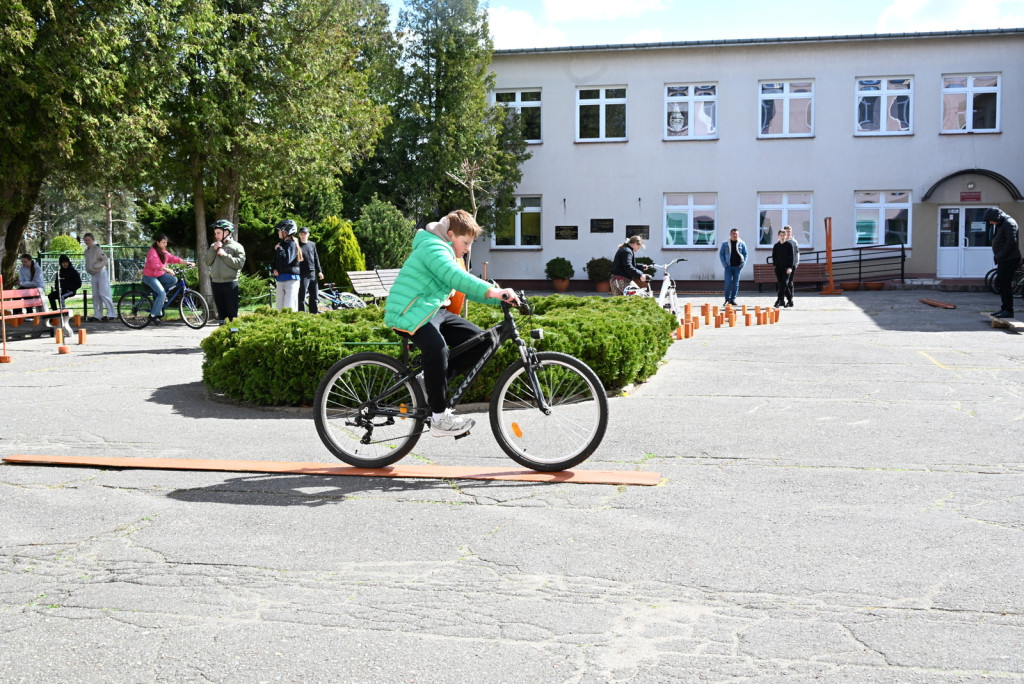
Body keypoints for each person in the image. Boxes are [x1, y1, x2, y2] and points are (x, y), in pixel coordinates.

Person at [384, 209, 519, 438]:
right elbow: (455, 277)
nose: (467, 248)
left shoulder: (445, 249)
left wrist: (502, 298)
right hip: (410, 311)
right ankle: (439, 418)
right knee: (437, 348)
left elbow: (463, 288)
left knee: (483, 342)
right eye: (465, 242)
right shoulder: (434, 247)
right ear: (450, 234)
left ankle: (429, 381)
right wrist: (495, 292)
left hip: (431, 309)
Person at [142, 234, 192, 325]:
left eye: (166, 242)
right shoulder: (152, 252)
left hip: (159, 274)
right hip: (150, 276)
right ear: (158, 242)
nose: (165, 244)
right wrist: (167, 269)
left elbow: (173, 258)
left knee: (173, 280)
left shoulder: (163, 252)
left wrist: (187, 263)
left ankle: (160, 296)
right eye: (163, 242)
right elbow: (154, 265)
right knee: (162, 293)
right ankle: (153, 315)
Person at [204, 219, 246, 323]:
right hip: (216, 283)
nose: (216, 236)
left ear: (226, 232)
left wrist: (225, 255)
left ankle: (233, 335)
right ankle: (222, 334)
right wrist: (213, 249)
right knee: (221, 314)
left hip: (230, 284)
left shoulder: (237, 246)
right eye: (215, 233)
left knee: (231, 313)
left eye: (218, 233)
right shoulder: (213, 246)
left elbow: (239, 264)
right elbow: (207, 262)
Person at [988, 207, 1021, 319]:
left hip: (1009, 259)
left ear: (995, 217)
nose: (990, 222)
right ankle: (1004, 308)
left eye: (990, 220)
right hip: (1004, 259)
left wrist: (1000, 256)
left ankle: (1008, 310)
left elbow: (1011, 242)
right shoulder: (1002, 223)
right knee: (1001, 283)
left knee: (1005, 284)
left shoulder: (1008, 223)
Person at [83, 233, 115, 322]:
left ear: (92, 240)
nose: (87, 241)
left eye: (89, 239)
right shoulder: (86, 251)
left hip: (101, 273)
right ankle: (97, 314)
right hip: (93, 274)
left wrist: (96, 266)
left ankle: (111, 313)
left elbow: (105, 260)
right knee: (95, 295)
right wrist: (88, 268)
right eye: (85, 240)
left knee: (104, 293)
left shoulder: (97, 249)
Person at [272, 219, 302, 311]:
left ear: (286, 231)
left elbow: (287, 260)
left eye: (279, 231)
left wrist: (279, 249)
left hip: (291, 279)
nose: (278, 233)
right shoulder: (281, 244)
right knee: (279, 308)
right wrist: (274, 269)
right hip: (281, 278)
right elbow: (277, 261)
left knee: (289, 308)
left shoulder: (292, 244)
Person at [296, 226, 324, 313]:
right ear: (299, 235)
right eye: (301, 234)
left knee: (314, 296)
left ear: (308, 235)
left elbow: (316, 258)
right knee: (302, 296)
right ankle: (302, 314)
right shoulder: (297, 245)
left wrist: (319, 271)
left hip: (312, 273)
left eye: (305, 234)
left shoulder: (312, 244)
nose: (303, 235)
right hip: (302, 274)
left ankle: (314, 314)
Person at [718, 228, 748, 306]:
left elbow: (745, 254)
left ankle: (733, 299)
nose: (735, 235)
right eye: (733, 233)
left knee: (736, 284)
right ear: (730, 234)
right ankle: (727, 299)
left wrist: (742, 264)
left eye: (736, 234)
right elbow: (721, 254)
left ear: (738, 235)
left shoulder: (742, 243)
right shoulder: (725, 244)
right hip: (728, 267)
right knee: (727, 283)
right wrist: (724, 264)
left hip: (738, 267)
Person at [771, 229, 797, 308]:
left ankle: (779, 300)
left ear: (786, 236)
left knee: (783, 284)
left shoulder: (789, 245)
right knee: (783, 285)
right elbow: (774, 256)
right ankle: (790, 301)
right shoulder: (776, 246)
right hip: (778, 268)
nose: (782, 237)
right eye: (781, 235)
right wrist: (775, 264)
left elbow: (792, 257)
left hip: (787, 269)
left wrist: (790, 267)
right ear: (778, 236)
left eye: (784, 235)